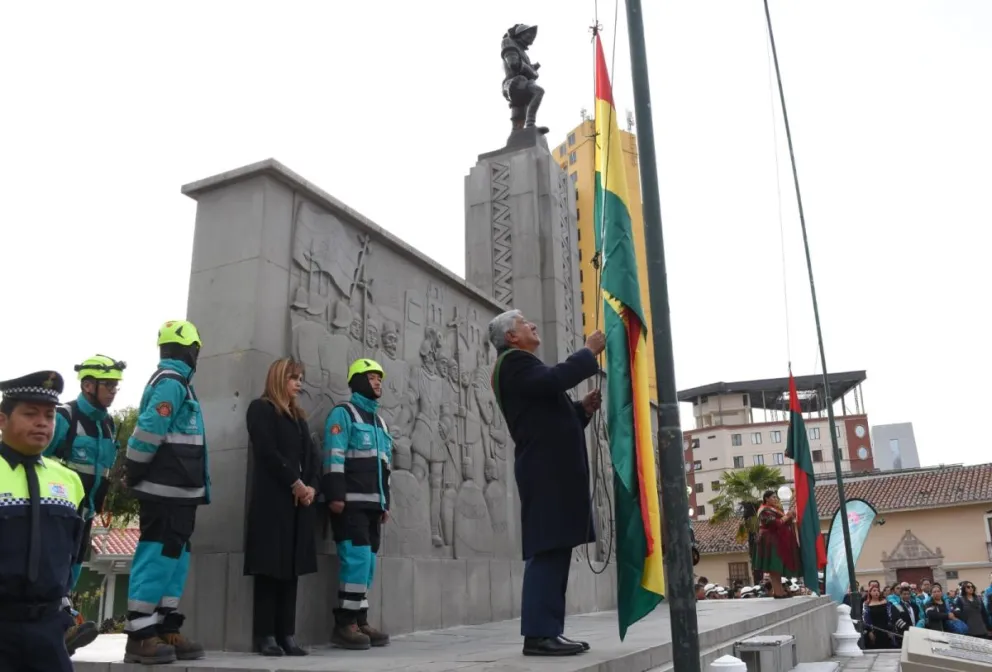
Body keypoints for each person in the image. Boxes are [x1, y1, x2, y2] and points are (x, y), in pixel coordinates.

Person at [487, 309, 604, 657]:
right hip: (544, 471)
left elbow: (546, 416)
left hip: (551, 470)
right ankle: (539, 633)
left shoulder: (523, 365)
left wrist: (580, 410)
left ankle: (548, 629)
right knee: (547, 549)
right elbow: (554, 379)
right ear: (511, 336)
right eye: (525, 322)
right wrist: (588, 352)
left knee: (556, 548)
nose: (533, 324)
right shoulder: (513, 363)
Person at [122, 320, 208, 664]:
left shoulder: (180, 385)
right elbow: (149, 429)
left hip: (182, 490)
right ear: (191, 349)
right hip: (164, 490)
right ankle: (140, 634)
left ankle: (164, 625)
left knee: (176, 558)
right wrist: (135, 468)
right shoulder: (171, 383)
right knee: (157, 555)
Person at [0, 371, 85, 672]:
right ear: (2, 420)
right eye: (30, 414)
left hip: (49, 630)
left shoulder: (69, 481)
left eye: (49, 416)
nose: (42, 423)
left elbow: (75, 552)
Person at [45, 354, 126, 656]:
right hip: (59, 513)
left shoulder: (108, 424)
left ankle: (61, 632)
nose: (113, 391)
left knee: (73, 570)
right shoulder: (65, 417)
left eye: (116, 386)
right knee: (55, 570)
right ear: (88, 385)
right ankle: (61, 628)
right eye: (108, 385)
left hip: (87, 513)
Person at [244, 358, 320, 657]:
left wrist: (312, 486)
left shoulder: (299, 418)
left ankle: (287, 634)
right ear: (279, 378)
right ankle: (266, 635)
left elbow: (312, 457)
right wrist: (294, 482)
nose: (298, 383)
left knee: (291, 571)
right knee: (269, 570)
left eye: (300, 378)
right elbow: (267, 451)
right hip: (273, 503)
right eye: (293, 378)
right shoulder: (261, 409)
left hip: (299, 506)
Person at [322, 358, 392, 650]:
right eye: (372, 377)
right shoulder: (343, 414)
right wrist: (336, 495)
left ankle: (360, 619)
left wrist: (386, 502)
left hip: (374, 505)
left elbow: (385, 466)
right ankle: (344, 624)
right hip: (349, 503)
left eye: (379, 378)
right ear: (358, 380)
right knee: (357, 560)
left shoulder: (379, 421)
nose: (377, 383)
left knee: (369, 564)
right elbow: (334, 455)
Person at [752, 490, 800, 598]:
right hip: (769, 541)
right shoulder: (764, 510)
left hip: (776, 540)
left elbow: (783, 522)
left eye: (776, 497)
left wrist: (791, 515)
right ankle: (778, 592)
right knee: (774, 567)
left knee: (776, 567)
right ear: (766, 499)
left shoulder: (775, 509)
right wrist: (787, 516)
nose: (775, 499)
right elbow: (774, 523)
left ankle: (778, 590)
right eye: (773, 497)